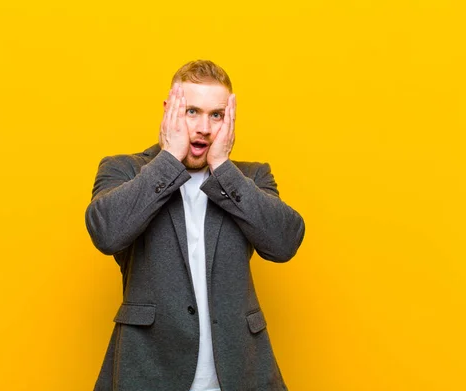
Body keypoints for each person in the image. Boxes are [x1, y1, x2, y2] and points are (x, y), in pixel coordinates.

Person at [85, 60, 305, 391]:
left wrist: (222, 167)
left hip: (239, 376)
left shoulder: (251, 177)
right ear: (169, 110)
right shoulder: (124, 170)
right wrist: (169, 160)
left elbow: (285, 242)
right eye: (192, 112)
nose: (204, 127)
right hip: (149, 374)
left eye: (216, 115)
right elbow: (106, 233)